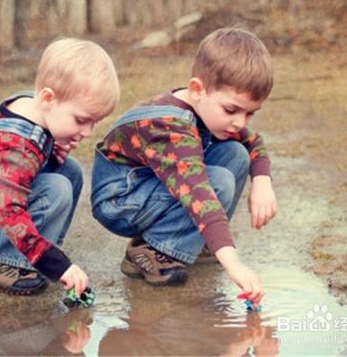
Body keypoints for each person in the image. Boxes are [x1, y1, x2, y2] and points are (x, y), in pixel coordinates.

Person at [91, 27, 276, 308]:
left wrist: (262, 181)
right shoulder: (169, 126)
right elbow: (199, 194)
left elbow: (253, 142)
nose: (241, 122)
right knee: (218, 182)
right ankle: (153, 252)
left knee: (236, 153)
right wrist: (234, 264)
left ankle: (195, 242)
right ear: (197, 90)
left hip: (148, 187)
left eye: (249, 113)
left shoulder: (208, 109)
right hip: (119, 199)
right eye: (231, 110)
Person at [0, 38, 119, 296]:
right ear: (48, 98)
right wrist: (59, 267)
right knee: (56, 188)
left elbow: (22, 160)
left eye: (95, 122)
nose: (88, 132)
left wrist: (48, 148)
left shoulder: (30, 105)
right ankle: (1, 262)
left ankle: (37, 250)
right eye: (81, 120)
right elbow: (11, 212)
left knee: (70, 171)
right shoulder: (15, 148)